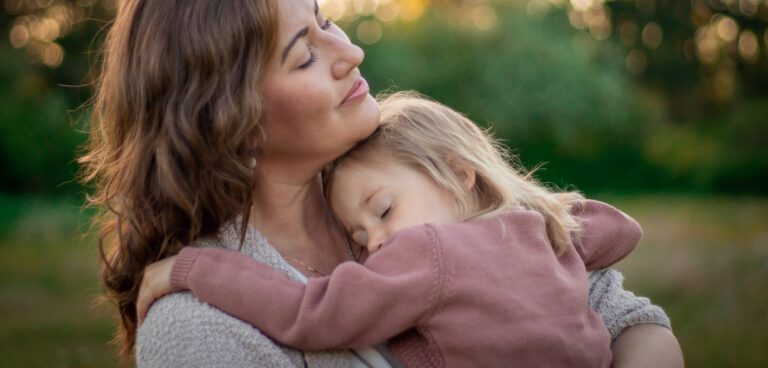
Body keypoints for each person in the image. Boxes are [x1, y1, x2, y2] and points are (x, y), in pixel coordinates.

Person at [82, 0, 683, 367]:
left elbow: (630, 320)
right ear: (229, 120)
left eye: (328, 23)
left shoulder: (402, 187)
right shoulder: (197, 328)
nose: (352, 52)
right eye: (304, 55)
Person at [137, 91, 645, 367]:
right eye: (357, 238)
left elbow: (307, 312)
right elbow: (619, 233)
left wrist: (194, 268)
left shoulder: (426, 254)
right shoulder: (542, 229)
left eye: (382, 211)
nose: (375, 243)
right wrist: (552, 215)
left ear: (459, 172)